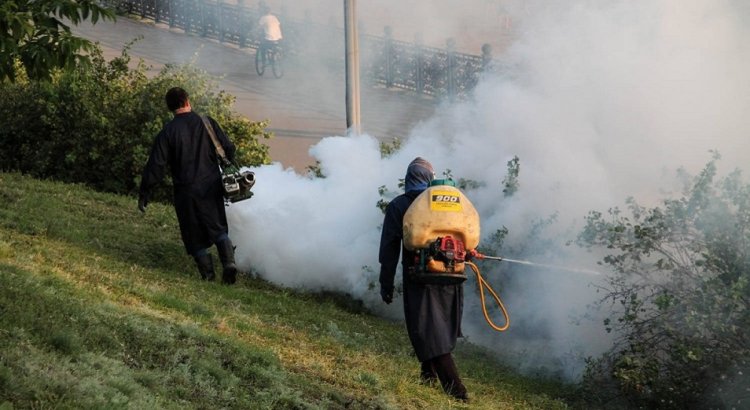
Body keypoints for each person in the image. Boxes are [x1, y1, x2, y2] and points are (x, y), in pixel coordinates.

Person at [378, 157, 469, 402]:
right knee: (436, 327)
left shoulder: (400, 205)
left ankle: (457, 391)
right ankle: (427, 376)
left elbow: (389, 249)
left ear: (409, 178)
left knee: (428, 330)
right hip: (452, 275)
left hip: (420, 277)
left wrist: (385, 284)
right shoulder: (446, 207)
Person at [138, 87, 239, 284]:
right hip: (211, 184)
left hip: (185, 190)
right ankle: (229, 264)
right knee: (217, 226)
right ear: (187, 101)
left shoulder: (167, 132)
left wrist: (145, 192)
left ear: (170, 107)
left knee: (192, 234)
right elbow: (228, 148)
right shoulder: (206, 122)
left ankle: (208, 276)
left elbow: (156, 165)